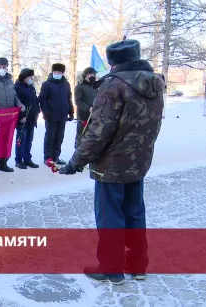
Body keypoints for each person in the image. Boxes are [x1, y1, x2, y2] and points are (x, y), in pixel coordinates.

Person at [58, 39, 164, 284]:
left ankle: (112, 269)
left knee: (110, 217)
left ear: (113, 62)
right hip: (138, 161)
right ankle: (138, 266)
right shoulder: (155, 83)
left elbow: (98, 131)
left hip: (111, 165)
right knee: (135, 214)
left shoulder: (113, 85)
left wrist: (76, 161)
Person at [38, 63, 74, 166]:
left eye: (58, 72)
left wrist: (71, 112)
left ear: (62, 73)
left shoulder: (66, 84)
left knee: (59, 137)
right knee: (50, 137)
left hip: (62, 115)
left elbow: (69, 98)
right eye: (55, 72)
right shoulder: (47, 84)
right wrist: (45, 112)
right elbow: (42, 99)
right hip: (51, 115)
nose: (56, 74)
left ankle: (56, 156)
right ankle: (48, 157)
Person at [14, 68, 40, 169]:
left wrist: (37, 110)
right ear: (24, 77)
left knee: (29, 140)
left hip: (31, 119)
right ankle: (19, 160)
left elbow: (35, 100)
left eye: (31, 77)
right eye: (29, 77)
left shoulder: (31, 87)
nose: (31, 79)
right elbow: (16, 103)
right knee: (21, 140)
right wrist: (21, 116)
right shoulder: (18, 87)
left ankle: (27, 159)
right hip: (23, 119)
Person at [74, 67, 98, 148]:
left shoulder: (94, 86)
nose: (94, 76)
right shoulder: (79, 87)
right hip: (83, 116)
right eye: (93, 75)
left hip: (94, 116)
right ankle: (78, 154)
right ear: (88, 75)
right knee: (81, 136)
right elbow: (78, 101)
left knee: (92, 137)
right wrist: (88, 108)